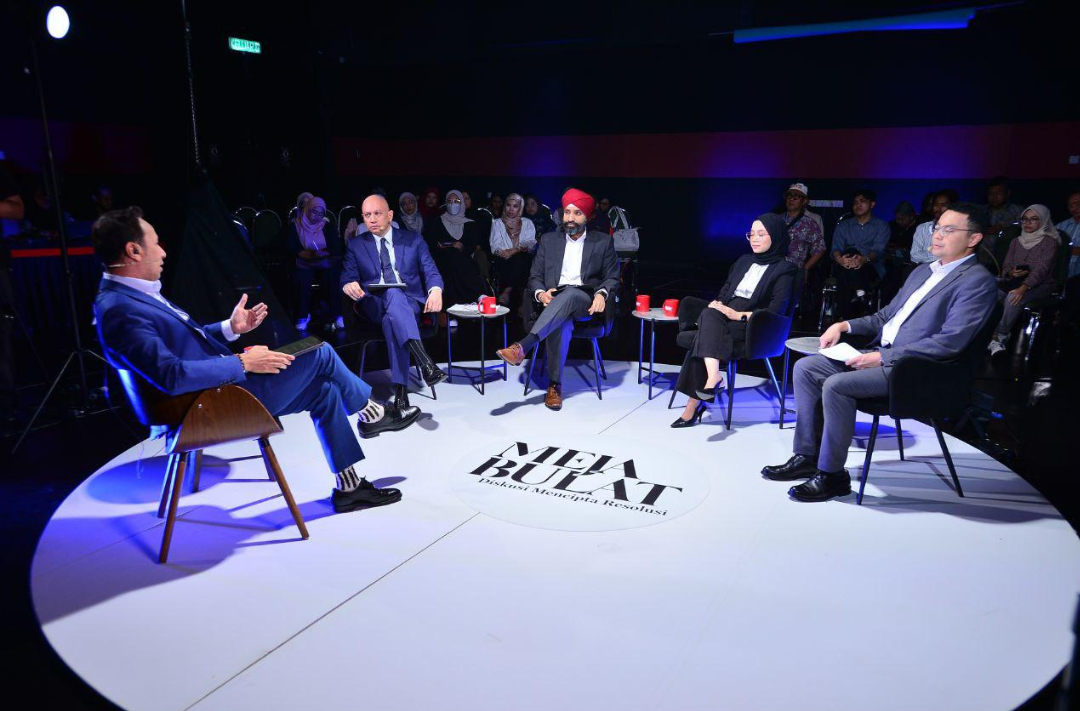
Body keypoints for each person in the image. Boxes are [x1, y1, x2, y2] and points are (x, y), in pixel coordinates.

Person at [92, 207, 413, 513]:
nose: (163, 252)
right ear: (134, 251)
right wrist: (244, 363)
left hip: (218, 390)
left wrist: (231, 328)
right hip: (210, 404)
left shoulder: (132, 296)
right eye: (155, 244)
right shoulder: (120, 309)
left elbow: (182, 346)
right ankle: (371, 413)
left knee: (326, 390)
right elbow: (171, 375)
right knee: (320, 353)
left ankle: (350, 487)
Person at [761, 203, 998, 502]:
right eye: (937, 228)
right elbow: (885, 316)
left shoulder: (977, 282)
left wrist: (882, 358)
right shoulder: (923, 271)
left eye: (949, 230)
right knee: (806, 368)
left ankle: (833, 475)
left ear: (974, 238)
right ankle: (808, 456)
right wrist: (843, 324)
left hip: (918, 371)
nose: (937, 235)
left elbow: (949, 343)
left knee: (837, 385)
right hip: (883, 355)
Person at [494, 188, 619, 411]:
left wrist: (602, 293)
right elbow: (534, 277)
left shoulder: (602, 242)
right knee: (561, 325)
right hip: (552, 305)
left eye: (577, 213)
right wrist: (540, 293)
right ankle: (555, 386)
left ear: (588, 217)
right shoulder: (549, 240)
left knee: (570, 292)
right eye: (567, 212)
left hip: (585, 303)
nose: (570, 218)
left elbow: (612, 276)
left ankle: (524, 346)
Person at [671, 213, 798, 427]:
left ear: (775, 237)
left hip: (755, 325)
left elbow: (776, 312)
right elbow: (726, 292)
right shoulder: (743, 261)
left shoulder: (786, 270)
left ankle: (692, 407)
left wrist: (737, 315)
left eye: (761, 234)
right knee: (710, 314)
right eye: (751, 234)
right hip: (724, 316)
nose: (754, 239)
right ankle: (713, 378)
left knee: (704, 336)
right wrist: (720, 305)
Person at [342, 195, 447, 411]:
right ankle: (424, 361)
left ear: (390, 215)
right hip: (372, 303)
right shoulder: (356, 244)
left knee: (393, 314)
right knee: (392, 293)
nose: (371, 219)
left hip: (409, 303)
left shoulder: (413, 239)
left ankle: (400, 390)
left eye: (377, 213)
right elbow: (346, 277)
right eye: (367, 215)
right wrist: (348, 285)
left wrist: (435, 290)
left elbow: (431, 270)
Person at [987, 204, 1061, 356]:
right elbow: (1006, 266)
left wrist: (1024, 287)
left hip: (1041, 285)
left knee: (1013, 297)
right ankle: (987, 333)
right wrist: (1011, 272)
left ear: (1043, 221)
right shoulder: (1016, 241)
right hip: (1013, 282)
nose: (1027, 223)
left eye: (1033, 219)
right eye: (1024, 219)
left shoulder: (1050, 242)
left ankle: (1001, 335)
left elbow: (1042, 270)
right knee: (988, 292)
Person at [829, 189, 890, 320]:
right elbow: (835, 248)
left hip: (870, 267)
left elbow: (879, 251)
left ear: (872, 204)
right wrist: (839, 259)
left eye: (862, 201)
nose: (858, 205)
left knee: (850, 261)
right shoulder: (844, 226)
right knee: (850, 256)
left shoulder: (881, 225)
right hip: (843, 265)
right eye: (855, 202)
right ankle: (860, 296)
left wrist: (864, 259)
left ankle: (842, 315)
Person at [286, 195, 343, 331]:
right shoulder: (295, 225)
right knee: (302, 278)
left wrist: (323, 253)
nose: (317, 216)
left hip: (323, 262)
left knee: (333, 275)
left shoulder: (327, 225)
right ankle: (303, 315)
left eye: (320, 213)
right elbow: (292, 249)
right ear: (307, 209)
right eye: (314, 211)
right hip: (303, 262)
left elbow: (335, 247)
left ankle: (336, 314)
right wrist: (310, 254)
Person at [424, 189, 488, 307]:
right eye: (450, 201)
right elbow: (433, 244)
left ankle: (466, 302)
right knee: (453, 258)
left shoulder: (470, 224)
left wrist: (447, 245)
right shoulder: (437, 222)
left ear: (462, 203)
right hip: (442, 259)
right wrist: (451, 245)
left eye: (457, 201)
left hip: (464, 260)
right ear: (445, 203)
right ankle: (476, 295)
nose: (453, 204)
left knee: (459, 260)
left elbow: (470, 246)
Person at [490, 193, 538, 307]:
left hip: (522, 259)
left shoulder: (527, 223)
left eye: (515, 206)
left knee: (521, 259)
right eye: (508, 205)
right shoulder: (497, 223)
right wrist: (506, 252)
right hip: (503, 258)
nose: (511, 209)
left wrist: (514, 250)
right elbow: (495, 246)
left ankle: (507, 292)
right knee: (517, 261)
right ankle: (521, 304)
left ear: (520, 208)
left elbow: (530, 244)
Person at [781, 183, 825, 272]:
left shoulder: (810, 223)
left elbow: (820, 249)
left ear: (804, 201)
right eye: (789, 196)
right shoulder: (776, 220)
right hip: (774, 268)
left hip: (795, 270)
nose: (791, 199)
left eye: (796, 197)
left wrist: (806, 268)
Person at [910, 190, 958, 265]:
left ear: (952, 207)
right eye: (936, 205)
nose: (938, 209)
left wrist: (927, 255)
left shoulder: (957, 229)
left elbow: (955, 256)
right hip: (924, 272)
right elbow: (914, 256)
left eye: (944, 205)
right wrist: (939, 256)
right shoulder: (923, 228)